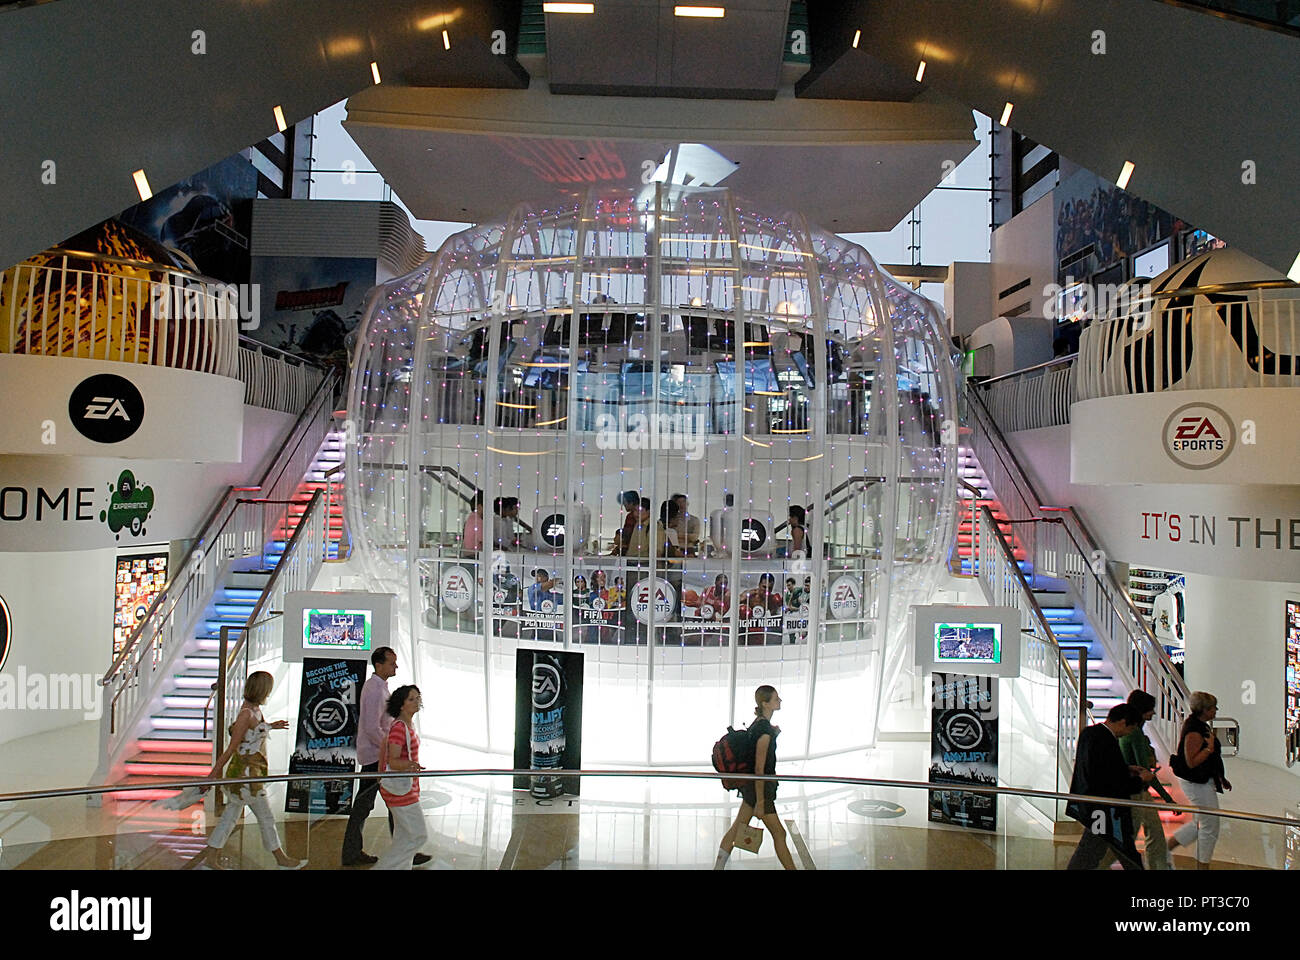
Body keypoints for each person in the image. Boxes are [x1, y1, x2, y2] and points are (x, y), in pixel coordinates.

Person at [186, 671, 304, 869]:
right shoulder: (246, 714)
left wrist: (271, 726)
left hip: (250, 774)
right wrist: (211, 777)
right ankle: (280, 858)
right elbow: (231, 749)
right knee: (264, 816)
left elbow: (255, 731)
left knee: (230, 816)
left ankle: (212, 857)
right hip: (246, 777)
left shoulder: (254, 711)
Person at [1066, 702, 1154, 870]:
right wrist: (1141, 779)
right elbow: (1109, 779)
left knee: (1097, 850)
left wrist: (1125, 768)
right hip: (1105, 808)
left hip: (1093, 804)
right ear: (1123, 722)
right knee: (1099, 850)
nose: (1128, 733)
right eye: (1130, 728)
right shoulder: (1106, 740)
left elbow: (1098, 767)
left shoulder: (1090, 733)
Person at [716, 685, 795, 870]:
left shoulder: (758, 724)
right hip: (760, 790)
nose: (780, 701)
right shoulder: (764, 731)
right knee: (779, 833)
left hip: (751, 788)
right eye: (776, 699)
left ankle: (717, 868)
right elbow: (759, 768)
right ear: (765, 703)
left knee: (736, 830)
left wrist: (773, 734)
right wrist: (760, 801)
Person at [1169, 691, 1232, 869]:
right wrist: (1209, 749)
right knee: (1210, 826)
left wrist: (1219, 777)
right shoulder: (1194, 730)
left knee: (1200, 822)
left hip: (1203, 781)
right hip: (1197, 784)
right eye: (1213, 708)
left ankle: (1167, 847)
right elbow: (1192, 762)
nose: (1216, 710)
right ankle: (1202, 866)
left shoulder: (1199, 725)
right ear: (1204, 710)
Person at [375, 685, 429, 870]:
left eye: (417, 698)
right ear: (401, 705)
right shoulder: (399, 728)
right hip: (401, 792)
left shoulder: (406, 725)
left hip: (405, 788)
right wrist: (410, 765)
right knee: (418, 835)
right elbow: (394, 761)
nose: (417, 702)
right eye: (411, 699)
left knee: (404, 837)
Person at [1117, 689, 1171, 870]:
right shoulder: (1136, 735)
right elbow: (1145, 771)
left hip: (1136, 791)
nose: (1154, 713)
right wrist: (1167, 797)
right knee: (1148, 837)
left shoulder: (1131, 733)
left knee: (1150, 835)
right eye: (1150, 710)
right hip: (1137, 792)